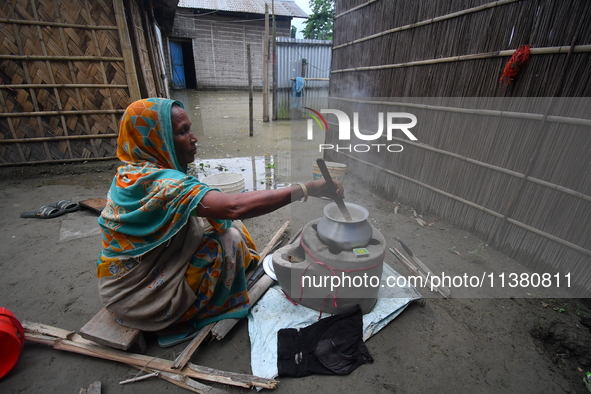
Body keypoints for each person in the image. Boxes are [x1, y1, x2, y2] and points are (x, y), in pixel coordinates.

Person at [96, 98, 344, 338]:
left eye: (190, 129)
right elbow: (233, 207)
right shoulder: (166, 186)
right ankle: (176, 318)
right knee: (230, 237)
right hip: (142, 301)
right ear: (157, 140)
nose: (194, 138)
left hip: (117, 288)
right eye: (183, 132)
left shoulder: (131, 173)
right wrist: (308, 188)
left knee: (215, 220)